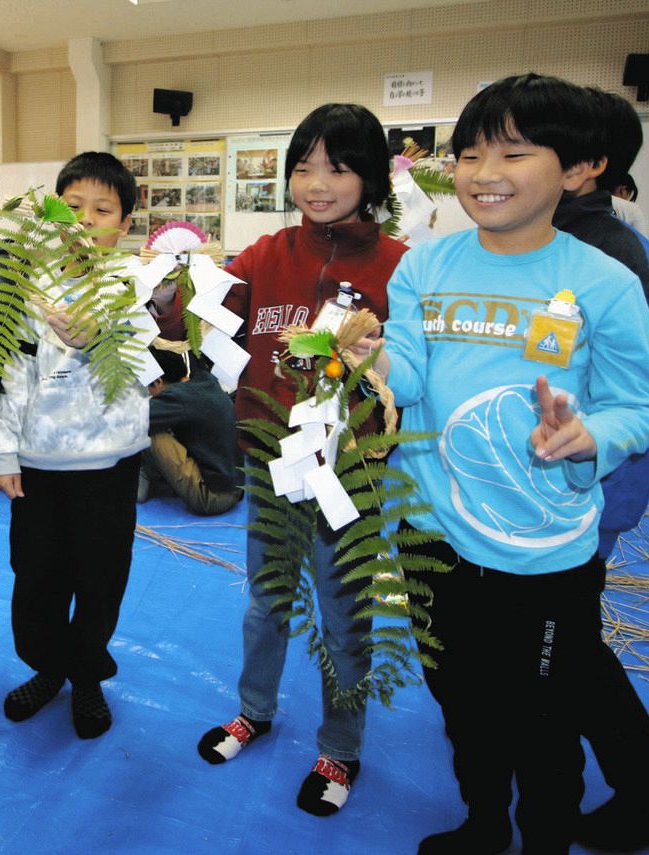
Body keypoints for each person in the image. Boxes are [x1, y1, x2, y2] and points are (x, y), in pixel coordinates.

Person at [366, 73, 649, 854]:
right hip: (431, 535)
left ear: (577, 169)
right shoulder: (424, 267)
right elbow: (410, 375)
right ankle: (485, 824)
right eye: (468, 154)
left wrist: (590, 435)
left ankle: (543, 840)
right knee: (461, 702)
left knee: (545, 723)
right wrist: (371, 358)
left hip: (543, 551)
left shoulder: (604, 280)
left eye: (513, 153)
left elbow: (638, 406)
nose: (483, 173)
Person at [197, 103, 408, 818]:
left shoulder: (398, 267)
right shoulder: (266, 254)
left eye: (338, 168)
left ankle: (340, 747)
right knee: (267, 601)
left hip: (350, 474)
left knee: (345, 616)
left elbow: (413, 371)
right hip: (269, 463)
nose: (317, 184)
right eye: (304, 167)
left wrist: (377, 359)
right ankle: (254, 709)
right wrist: (168, 287)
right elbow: (202, 313)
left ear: (369, 177)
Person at [548, 86, 649, 852]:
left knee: (566, 645)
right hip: (544, 492)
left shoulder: (618, 259)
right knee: (556, 641)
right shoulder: (555, 242)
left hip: (582, 492)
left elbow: (629, 395)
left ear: (589, 165)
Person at [0, 151, 148, 739]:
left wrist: (105, 334)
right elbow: (10, 374)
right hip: (38, 466)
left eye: (102, 210)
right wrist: (4, 452)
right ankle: (48, 667)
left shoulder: (137, 287)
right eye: (72, 207)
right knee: (36, 578)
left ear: (124, 224)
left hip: (109, 466)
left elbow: (155, 368)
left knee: (101, 578)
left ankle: (85, 677)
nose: (84, 221)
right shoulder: (27, 289)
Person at [142, 347, 242, 515]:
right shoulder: (204, 381)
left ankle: (139, 484)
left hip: (212, 498)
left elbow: (135, 419)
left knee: (149, 431)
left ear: (158, 381)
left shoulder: (178, 397)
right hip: (235, 487)